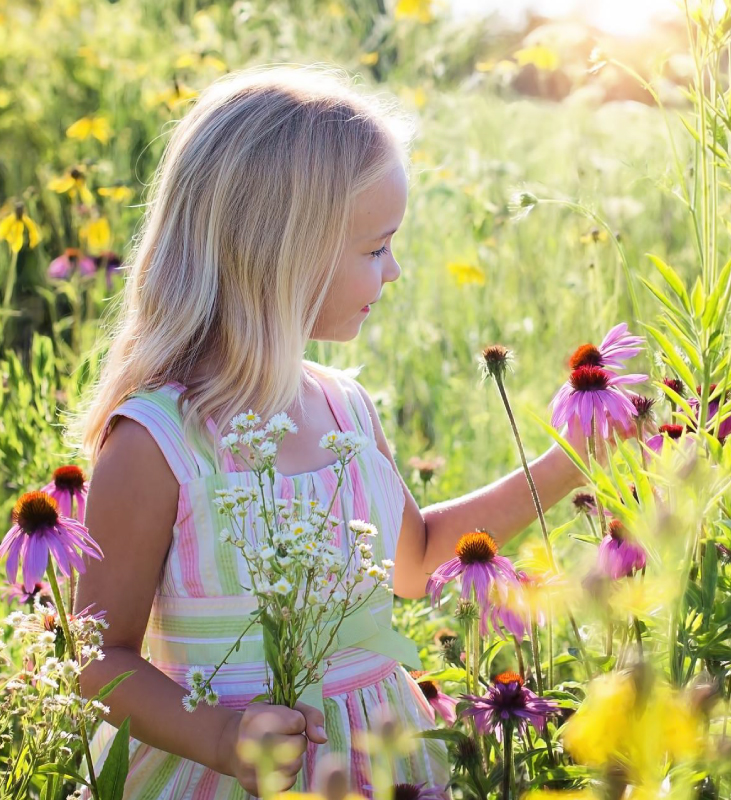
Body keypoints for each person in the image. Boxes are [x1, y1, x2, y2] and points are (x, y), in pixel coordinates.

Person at [68, 64, 595, 798]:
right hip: (221, 775)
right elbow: (98, 660)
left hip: (381, 763)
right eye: (376, 248)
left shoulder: (347, 409)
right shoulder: (159, 442)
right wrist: (221, 736)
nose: (397, 270)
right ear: (283, 257)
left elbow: (413, 562)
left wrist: (568, 462)